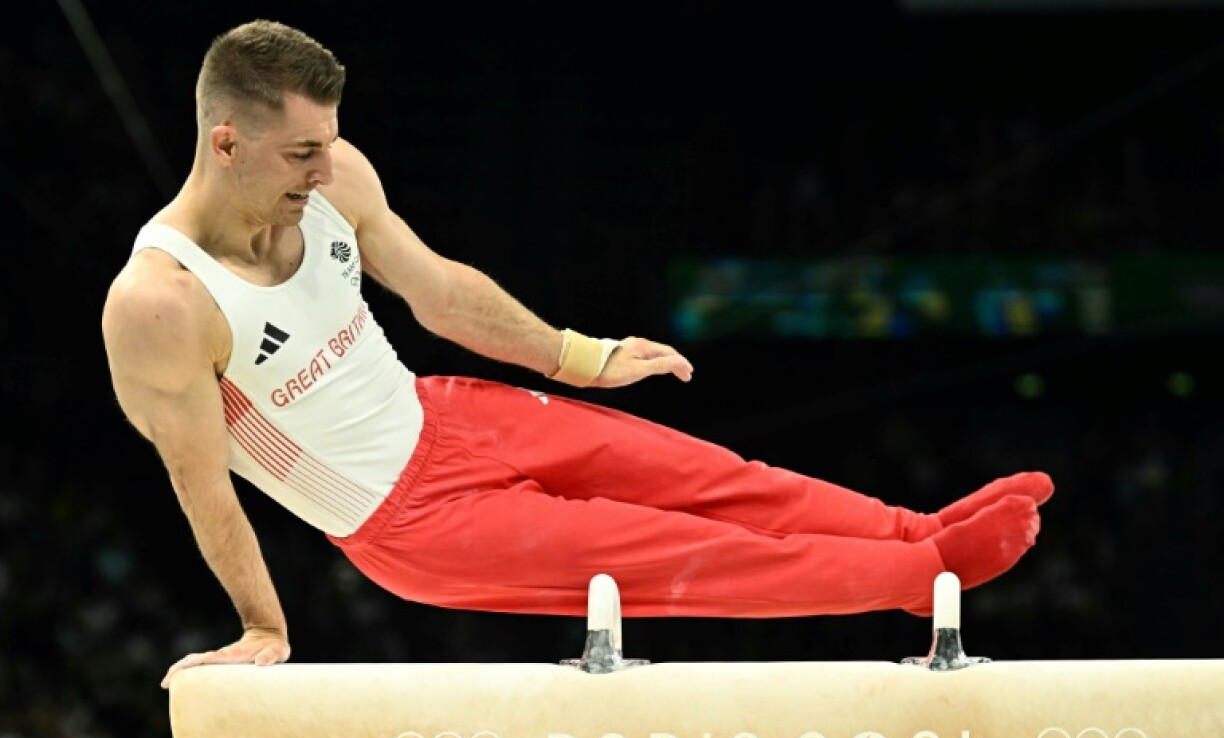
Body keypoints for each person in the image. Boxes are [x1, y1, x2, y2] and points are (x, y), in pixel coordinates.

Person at [100, 19, 1053, 690]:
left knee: (724, 479)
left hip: (450, 408)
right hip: (412, 521)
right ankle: (927, 576)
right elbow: (203, 486)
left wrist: (577, 357)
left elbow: (437, 291)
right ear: (226, 142)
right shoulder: (162, 303)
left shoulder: (337, 173)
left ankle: (911, 527)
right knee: (694, 556)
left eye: (328, 145)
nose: (326, 168)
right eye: (302, 153)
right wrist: (264, 626)